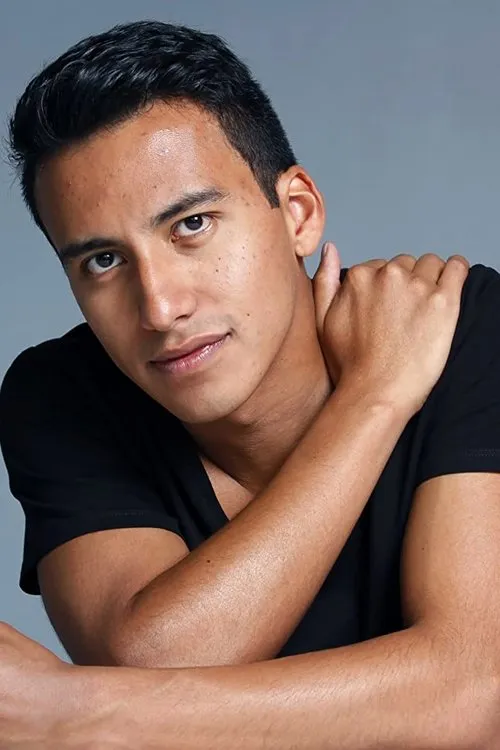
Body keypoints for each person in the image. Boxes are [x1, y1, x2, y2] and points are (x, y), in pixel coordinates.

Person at [0, 19, 499, 749]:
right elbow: (153, 663)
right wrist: (373, 400)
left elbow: (473, 695)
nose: (160, 309)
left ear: (298, 213)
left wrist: (74, 713)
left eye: (192, 224)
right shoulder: (63, 396)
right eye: (103, 262)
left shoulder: (456, 323)